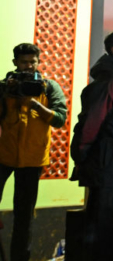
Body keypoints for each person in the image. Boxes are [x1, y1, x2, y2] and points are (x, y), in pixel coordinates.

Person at [71, 28, 113, 261]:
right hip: (108, 163)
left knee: (111, 224)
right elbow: (91, 123)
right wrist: (81, 157)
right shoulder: (111, 82)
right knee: (104, 225)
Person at [0, 43, 67, 261]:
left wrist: (36, 105)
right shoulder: (5, 86)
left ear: (39, 62)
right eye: (24, 62)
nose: (28, 66)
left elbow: (60, 119)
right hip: (3, 155)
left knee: (24, 217)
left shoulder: (49, 87)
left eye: (32, 61)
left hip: (33, 158)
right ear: (15, 64)